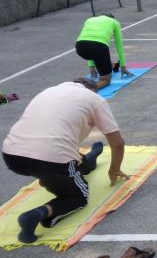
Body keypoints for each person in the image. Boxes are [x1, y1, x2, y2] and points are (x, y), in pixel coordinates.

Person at [2, 78, 128, 243]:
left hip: (12, 156)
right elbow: (117, 142)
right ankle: (36, 215)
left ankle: (91, 157)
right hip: (51, 159)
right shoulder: (94, 99)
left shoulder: (47, 92)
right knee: (79, 197)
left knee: (72, 163)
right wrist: (114, 169)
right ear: (93, 90)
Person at [75, 13, 133, 90]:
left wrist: (91, 67)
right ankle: (86, 91)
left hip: (80, 47)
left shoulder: (89, 20)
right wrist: (123, 67)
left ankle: (115, 66)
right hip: (98, 48)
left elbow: (88, 40)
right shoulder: (114, 22)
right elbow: (119, 47)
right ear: (113, 19)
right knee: (105, 80)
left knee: (96, 56)